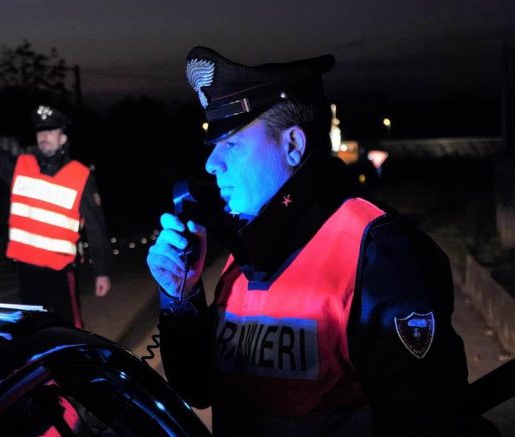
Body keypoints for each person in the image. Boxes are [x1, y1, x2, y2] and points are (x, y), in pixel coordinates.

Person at [146, 46, 484, 436]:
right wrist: (182, 299)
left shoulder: (379, 253)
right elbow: (198, 388)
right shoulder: (250, 246)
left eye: (232, 144)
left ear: (293, 145)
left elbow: (427, 420)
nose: (211, 163)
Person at [0, 97, 111, 328]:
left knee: (68, 330)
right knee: (33, 330)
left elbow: (96, 227)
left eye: (51, 130)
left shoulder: (80, 176)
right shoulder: (22, 167)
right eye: (41, 131)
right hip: (26, 271)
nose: (44, 135)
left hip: (59, 271)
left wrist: (102, 271)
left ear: (63, 138)